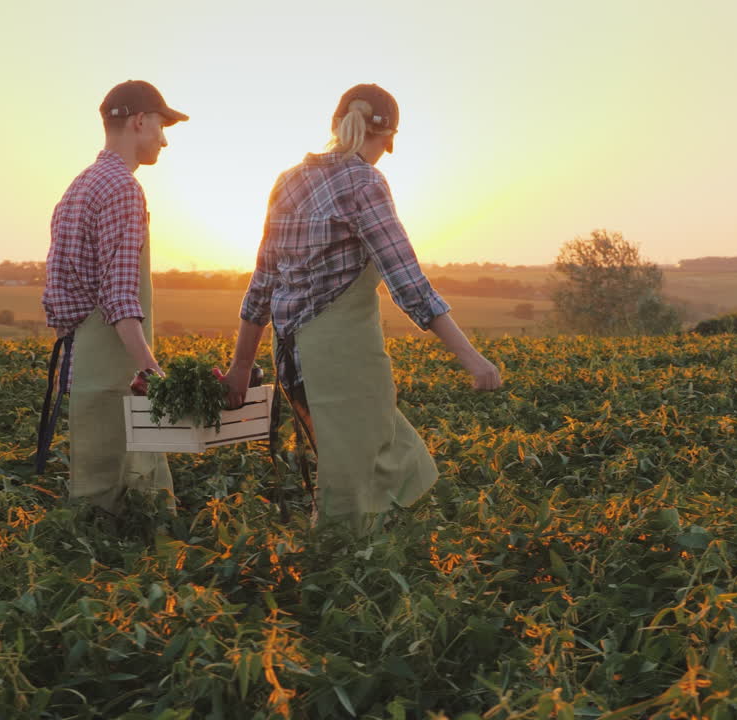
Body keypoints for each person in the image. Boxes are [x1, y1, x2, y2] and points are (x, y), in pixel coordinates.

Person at [223, 83, 501, 530]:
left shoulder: (288, 181)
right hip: (343, 363)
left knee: (362, 472)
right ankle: (346, 580)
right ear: (387, 140)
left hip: (292, 361)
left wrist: (240, 366)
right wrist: (472, 358)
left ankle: (345, 567)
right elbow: (408, 281)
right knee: (364, 490)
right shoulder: (364, 182)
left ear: (335, 125)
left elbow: (262, 284)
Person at [39, 80, 188, 514]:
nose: (164, 139)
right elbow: (120, 296)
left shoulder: (79, 186)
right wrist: (151, 371)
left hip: (85, 363)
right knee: (138, 499)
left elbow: (61, 294)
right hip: (116, 367)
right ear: (139, 122)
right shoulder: (122, 188)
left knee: (93, 493)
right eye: (161, 126)